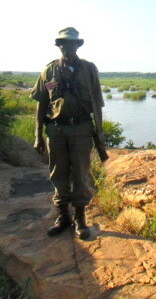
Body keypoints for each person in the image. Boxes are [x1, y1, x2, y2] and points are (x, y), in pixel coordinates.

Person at [31, 27, 108, 240]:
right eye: (63, 43)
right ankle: (63, 216)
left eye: (72, 43)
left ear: (77, 45)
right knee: (58, 173)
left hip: (82, 129)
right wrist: (38, 134)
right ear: (59, 46)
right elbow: (41, 104)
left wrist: (99, 135)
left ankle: (80, 219)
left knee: (81, 174)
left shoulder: (88, 69)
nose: (67, 47)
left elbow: (97, 103)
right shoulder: (48, 71)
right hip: (56, 130)